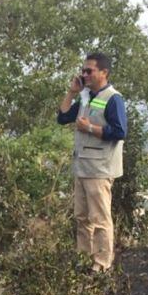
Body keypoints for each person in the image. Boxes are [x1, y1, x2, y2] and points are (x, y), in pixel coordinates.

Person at [56, 52, 127, 272]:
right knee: (82, 217)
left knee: (100, 219)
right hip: (82, 167)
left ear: (103, 72)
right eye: (83, 70)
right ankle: (84, 260)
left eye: (89, 70)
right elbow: (63, 117)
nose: (84, 74)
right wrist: (72, 92)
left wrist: (90, 128)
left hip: (99, 169)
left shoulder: (113, 98)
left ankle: (102, 265)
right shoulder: (86, 97)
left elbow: (120, 131)